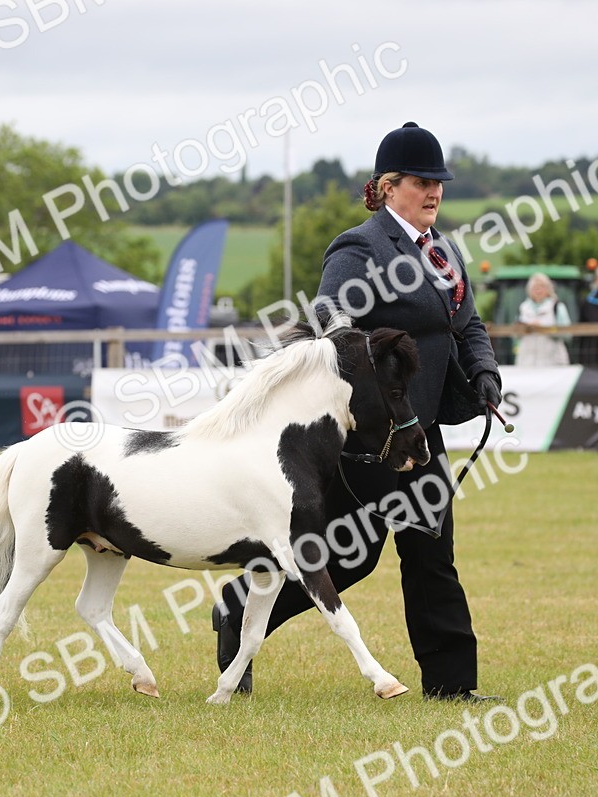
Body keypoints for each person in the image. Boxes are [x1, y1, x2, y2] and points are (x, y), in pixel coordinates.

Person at [214, 122, 503, 702]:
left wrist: (484, 373)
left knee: (431, 550)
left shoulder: (444, 253)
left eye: (439, 182)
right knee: (351, 555)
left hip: (420, 433)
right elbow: (331, 327)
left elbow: (466, 324)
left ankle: (451, 687)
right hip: (369, 435)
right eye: (423, 182)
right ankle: (241, 606)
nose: (434, 193)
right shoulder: (360, 248)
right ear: (389, 186)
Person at [516, 273, 571, 366]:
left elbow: (567, 334)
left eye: (542, 286)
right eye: (535, 287)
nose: (538, 290)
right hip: (526, 362)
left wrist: (543, 328)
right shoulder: (522, 308)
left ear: (548, 289)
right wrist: (526, 328)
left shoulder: (557, 307)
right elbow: (515, 334)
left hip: (553, 361)